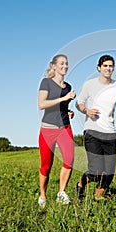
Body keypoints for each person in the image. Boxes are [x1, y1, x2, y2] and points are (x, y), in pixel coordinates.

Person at [75, 54, 116, 200]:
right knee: (96, 170)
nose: (108, 68)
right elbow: (79, 103)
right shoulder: (89, 85)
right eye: (105, 66)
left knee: (109, 171)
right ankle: (80, 184)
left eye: (111, 66)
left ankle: (97, 198)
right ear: (99, 68)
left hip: (110, 132)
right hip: (92, 131)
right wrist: (87, 110)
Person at [37, 54, 76, 207]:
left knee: (69, 158)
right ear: (53, 66)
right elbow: (42, 104)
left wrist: (68, 110)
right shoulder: (46, 82)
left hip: (64, 127)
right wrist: (63, 99)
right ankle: (43, 196)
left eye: (66, 63)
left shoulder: (68, 87)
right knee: (46, 166)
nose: (65, 66)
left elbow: (61, 107)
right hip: (48, 129)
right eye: (61, 63)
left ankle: (61, 192)